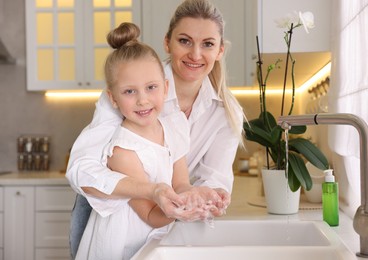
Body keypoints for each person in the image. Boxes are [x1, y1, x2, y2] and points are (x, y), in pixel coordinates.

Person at [66, 0, 244, 257]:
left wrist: (208, 197)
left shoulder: (226, 113)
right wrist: (155, 191)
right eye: (184, 41)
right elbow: (81, 170)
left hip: (164, 220)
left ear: (220, 51)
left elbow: (210, 179)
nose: (195, 54)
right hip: (113, 214)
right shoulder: (129, 88)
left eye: (207, 44)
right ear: (167, 42)